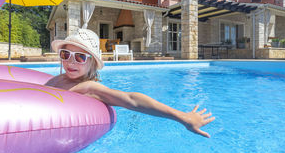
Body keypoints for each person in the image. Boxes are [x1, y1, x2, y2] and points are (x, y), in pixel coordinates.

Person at [45, 29, 215, 138]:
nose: (71, 62)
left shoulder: (88, 87)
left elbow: (131, 99)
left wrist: (182, 117)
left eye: (80, 57)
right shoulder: (57, 79)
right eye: (66, 54)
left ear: (92, 63)